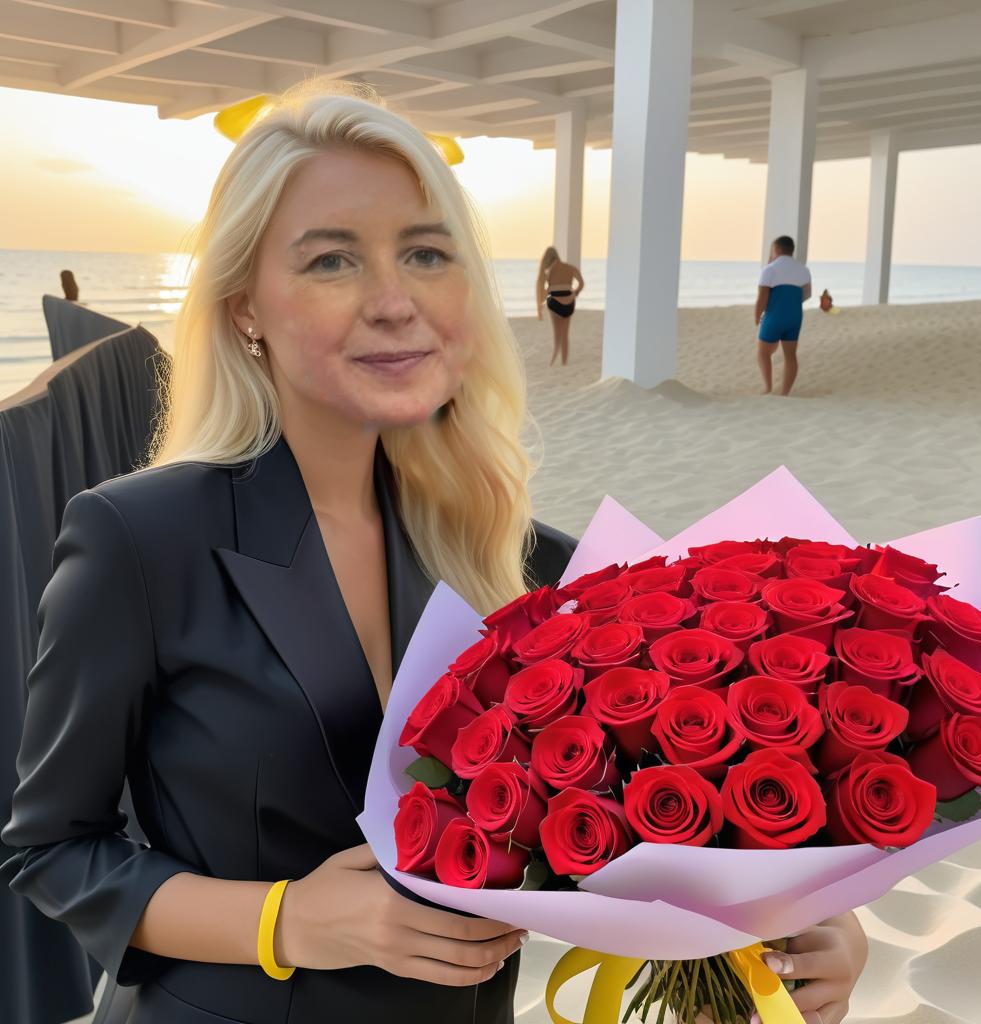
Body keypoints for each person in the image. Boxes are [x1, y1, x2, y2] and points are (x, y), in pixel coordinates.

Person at [2, 83, 866, 1024]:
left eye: (425, 253)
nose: (393, 301)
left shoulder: (530, 563)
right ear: (245, 305)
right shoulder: (137, 536)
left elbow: (679, 786)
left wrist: (799, 914)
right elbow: (50, 850)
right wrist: (282, 923)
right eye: (332, 260)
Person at [755, 235, 812, 396]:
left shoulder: (769, 269)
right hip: (795, 317)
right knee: (790, 355)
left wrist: (757, 315)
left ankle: (767, 388)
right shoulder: (803, 269)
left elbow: (762, 297)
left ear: (776, 249)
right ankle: (785, 392)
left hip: (774, 316)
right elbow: (807, 294)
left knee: (763, 352)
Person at [535, 245, 583, 366]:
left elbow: (542, 290)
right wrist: (575, 293)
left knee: (557, 334)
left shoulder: (548, 271)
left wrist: (540, 308)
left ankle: (553, 360)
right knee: (565, 334)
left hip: (555, 302)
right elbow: (581, 283)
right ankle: (564, 362)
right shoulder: (570, 268)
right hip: (569, 302)